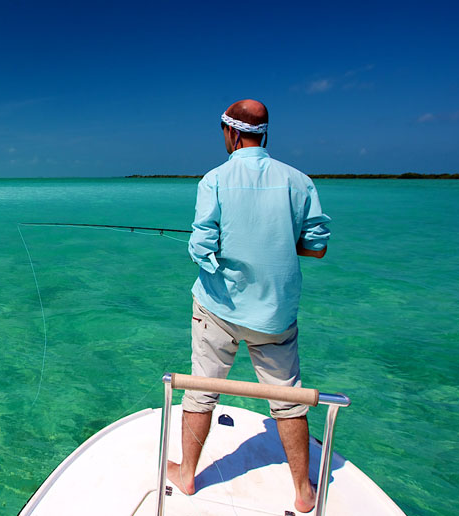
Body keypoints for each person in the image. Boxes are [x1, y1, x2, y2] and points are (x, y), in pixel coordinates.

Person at [167, 99, 330, 513]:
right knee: (289, 400)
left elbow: (201, 249)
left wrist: (211, 247)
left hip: (217, 309)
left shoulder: (215, 180)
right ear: (264, 134)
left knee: (202, 389)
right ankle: (303, 491)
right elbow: (317, 247)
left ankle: (187, 475)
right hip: (275, 314)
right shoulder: (299, 181)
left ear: (233, 133)